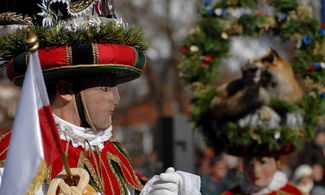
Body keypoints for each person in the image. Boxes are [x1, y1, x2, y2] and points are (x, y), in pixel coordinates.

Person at [0, 0, 201, 194]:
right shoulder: (17, 156)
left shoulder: (112, 152)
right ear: (65, 90)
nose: (116, 99)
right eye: (105, 88)